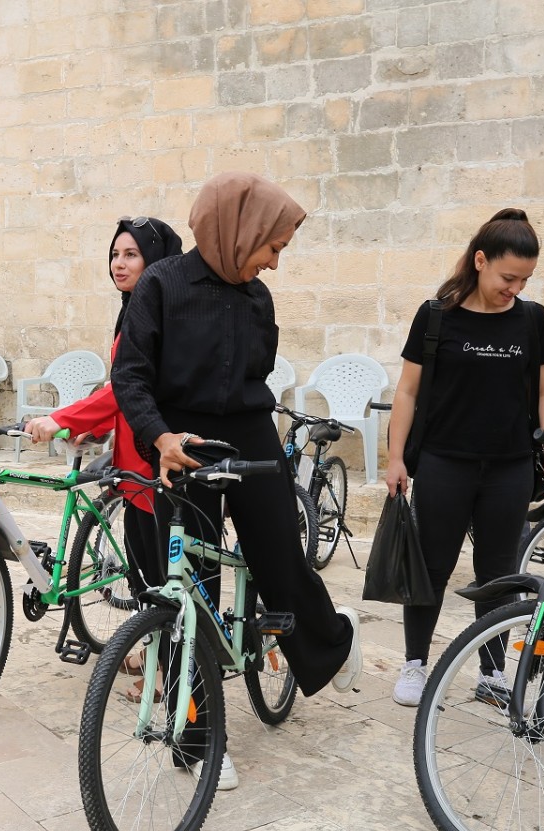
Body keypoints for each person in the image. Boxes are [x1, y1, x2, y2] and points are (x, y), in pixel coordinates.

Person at [112, 172, 364, 783]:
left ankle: (329, 643)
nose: (274, 263)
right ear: (238, 231)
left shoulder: (257, 297)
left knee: (279, 554)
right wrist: (160, 436)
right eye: (271, 247)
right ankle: (196, 740)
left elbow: (261, 371)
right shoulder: (161, 287)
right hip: (180, 442)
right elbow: (131, 377)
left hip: (249, 432)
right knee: (188, 589)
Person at [382, 209, 544, 707]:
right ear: (480, 260)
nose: (516, 288)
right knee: (432, 568)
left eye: (525, 279)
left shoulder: (531, 318)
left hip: (507, 467)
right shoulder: (437, 316)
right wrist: (395, 457)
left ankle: (492, 671)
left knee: (499, 574)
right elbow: (406, 393)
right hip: (444, 463)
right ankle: (416, 664)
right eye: (509, 277)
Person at [24, 216, 184, 596]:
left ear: (156, 261)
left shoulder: (165, 316)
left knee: (163, 571)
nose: (119, 263)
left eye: (132, 254)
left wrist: (61, 416)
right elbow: (128, 390)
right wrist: (95, 428)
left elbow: (125, 387)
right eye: (115, 254)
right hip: (132, 461)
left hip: (156, 459)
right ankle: (151, 648)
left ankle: (167, 653)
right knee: (142, 566)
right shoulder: (133, 309)